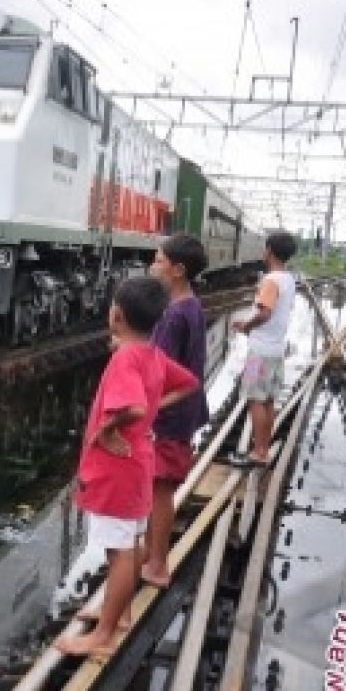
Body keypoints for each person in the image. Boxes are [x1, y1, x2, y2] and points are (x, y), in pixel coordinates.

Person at [57, 277, 199, 657]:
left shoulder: (125, 359)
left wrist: (106, 430)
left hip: (116, 470)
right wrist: (153, 407)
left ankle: (103, 636)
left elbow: (133, 407)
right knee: (130, 544)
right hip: (139, 463)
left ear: (116, 315)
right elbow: (189, 382)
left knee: (119, 551)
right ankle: (119, 614)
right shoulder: (151, 354)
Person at [142, 234, 210, 588]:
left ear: (178, 270)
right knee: (159, 487)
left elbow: (161, 373)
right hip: (184, 411)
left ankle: (157, 564)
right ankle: (150, 552)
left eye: (158, 260)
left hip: (168, 416)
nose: (152, 266)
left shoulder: (171, 317)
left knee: (160, 491)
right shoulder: (191, 305)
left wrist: (145, 412)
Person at [230, 231, 299, 467]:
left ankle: (259, 453)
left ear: (269, 251)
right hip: (276, 350)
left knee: (254, 398)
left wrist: (246, 327)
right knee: (268, 400)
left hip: (258, 352)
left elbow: (265, 313)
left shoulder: (270, 280)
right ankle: (264, 449)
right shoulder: (288, 279)